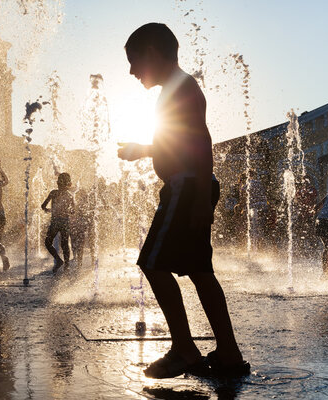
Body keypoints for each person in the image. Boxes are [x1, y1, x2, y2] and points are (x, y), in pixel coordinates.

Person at [118, 23, 249, 378]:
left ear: (152, 53)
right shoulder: (179, 87)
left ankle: (184, 349)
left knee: (152, 263)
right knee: (200, 271)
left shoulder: (180, 87)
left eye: (134, 61)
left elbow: (202, 142)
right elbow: (182, 143)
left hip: (186, 188)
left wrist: (200, 198)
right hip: (192, 185)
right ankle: (229, 353)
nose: (131, 71)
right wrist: (144, 150)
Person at [42, 173, 74, 272]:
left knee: (48, 243)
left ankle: (59, 260)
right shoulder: (69, 195)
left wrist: (49, 210)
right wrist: (65, 211)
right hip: (65, 221)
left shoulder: (53, 193)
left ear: (58, 183)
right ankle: (67, 266)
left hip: (55, 221)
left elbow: (43, 206)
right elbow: (73, 211)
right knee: (64, 244)